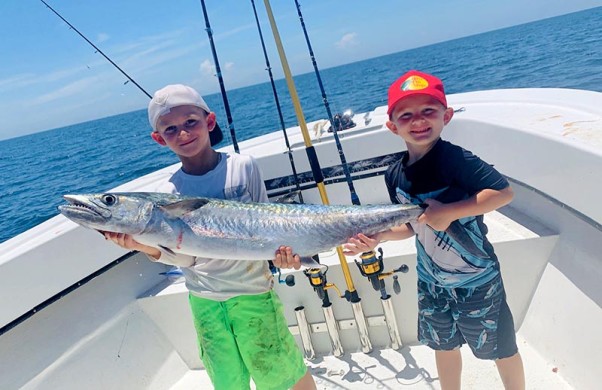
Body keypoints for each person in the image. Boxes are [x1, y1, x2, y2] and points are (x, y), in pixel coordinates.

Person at [104, 84, 316, 390]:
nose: (183, 133)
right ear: (158, 139)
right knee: (228, 382)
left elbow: (267, 225)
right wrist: (138, 245)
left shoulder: (242, 167)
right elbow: (186, 258)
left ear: (210, 122)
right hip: (204, 300)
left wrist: (284, 256)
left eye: (190, 122)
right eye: (171, 129)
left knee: (283, 374)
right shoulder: (168, 192)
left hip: (253, 293)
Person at [343, 70, 525, 390]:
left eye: (428, 110)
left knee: (500, 348)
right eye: (407, 115)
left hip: (476, 280)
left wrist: (451, 212)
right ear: (392, 126)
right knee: (443, 346)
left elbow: (503, 193)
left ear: (446, 116)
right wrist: (380, 237)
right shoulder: (394, 174)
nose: (419, 120)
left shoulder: (455, 159)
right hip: (432, 283)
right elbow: (411, 227)